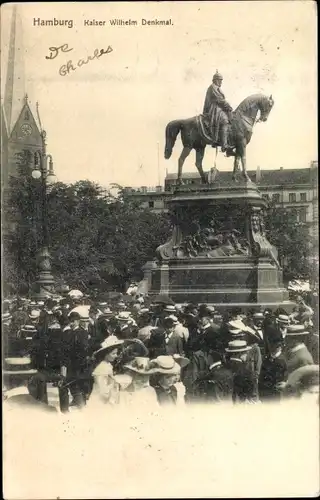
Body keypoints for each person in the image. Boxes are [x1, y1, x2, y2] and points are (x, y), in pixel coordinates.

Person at [60, 311, 90, 410]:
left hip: (79, 362)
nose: (71, 323)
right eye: (70, 321)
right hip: (70, 362)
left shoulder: (82, 332)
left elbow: (84, 348)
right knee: (72, 381)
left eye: (73, 321)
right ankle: (76, 400)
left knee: (78, 382)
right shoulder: (68, 332)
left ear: (77, 321)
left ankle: (81, 403)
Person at [87, 336, 124, 408]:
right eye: (113, 353)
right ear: (106, 354)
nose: (116, 356)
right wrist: (114, 385)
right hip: (101, 401)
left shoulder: (108, 365)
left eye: (116, 353)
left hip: (107, 398)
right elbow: (101, 390)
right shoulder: (102, 368)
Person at [203, 70, 233, 151]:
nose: (221, 82)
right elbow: (219, 100)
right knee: (224, 120)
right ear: (215, 80)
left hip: (218, 107)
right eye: (220, 80)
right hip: (213, 109)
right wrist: (228, 106)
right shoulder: (213, 87)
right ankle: (224, 145)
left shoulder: (216, 87)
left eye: (221, 80)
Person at [258, 328, 288, 402]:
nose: (270, 345)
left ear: (280, 344)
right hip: (265, 397)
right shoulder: (266, 359)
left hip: (278, 398)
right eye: (269, 342)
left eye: (274, 343)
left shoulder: (284, 360)